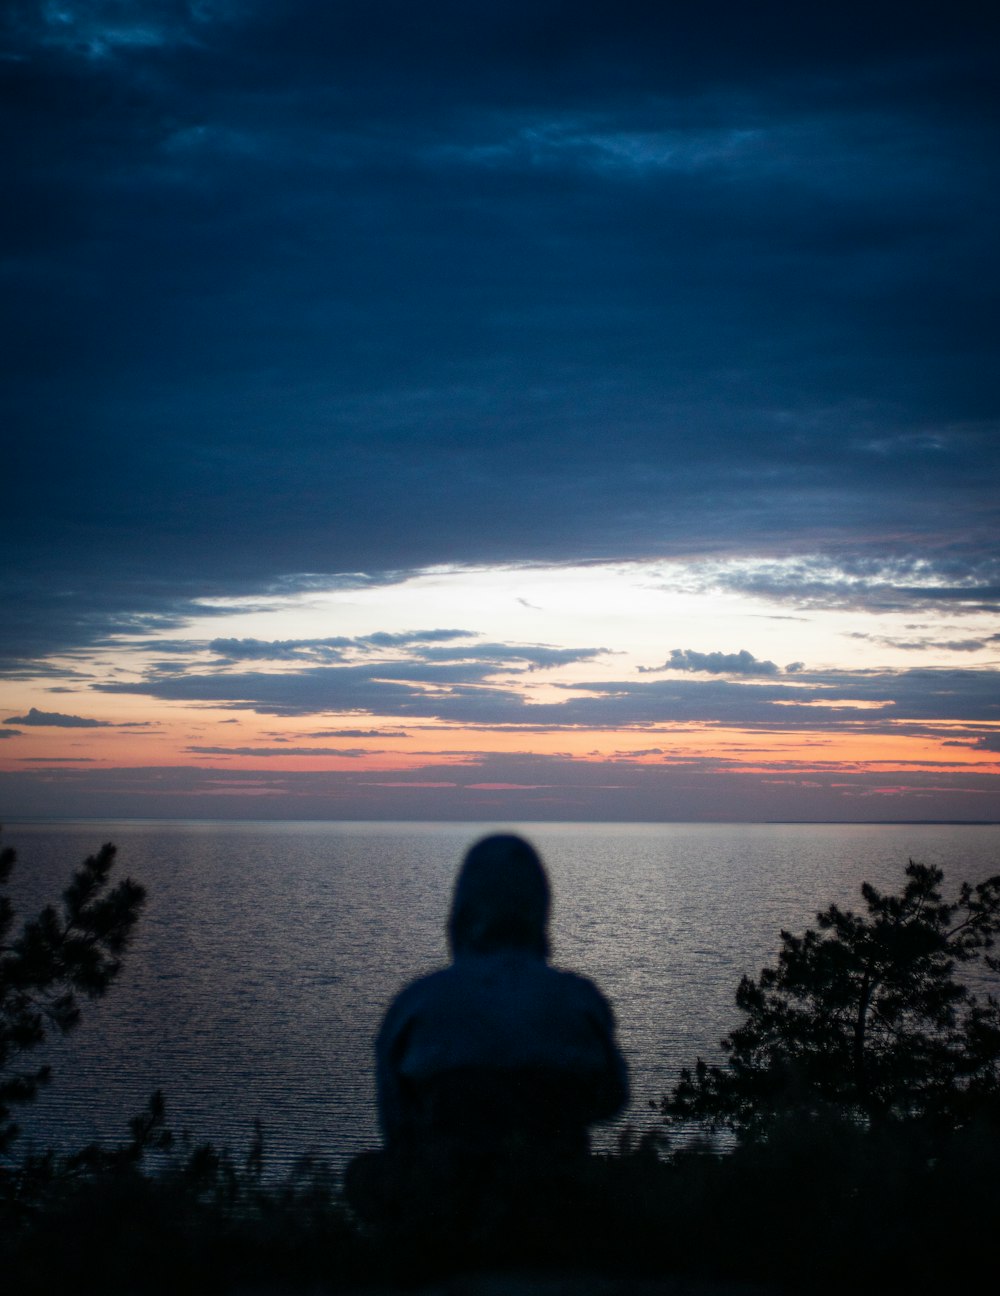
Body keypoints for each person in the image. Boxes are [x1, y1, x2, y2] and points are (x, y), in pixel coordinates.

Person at [346, 833, 628, 1228]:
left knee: (364, 1175)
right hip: (556, 1199)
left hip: (447, 1206)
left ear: (461, 909)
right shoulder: (579, 999)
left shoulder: (416, 1003)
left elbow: (396, 1121)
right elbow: (613, 1098)